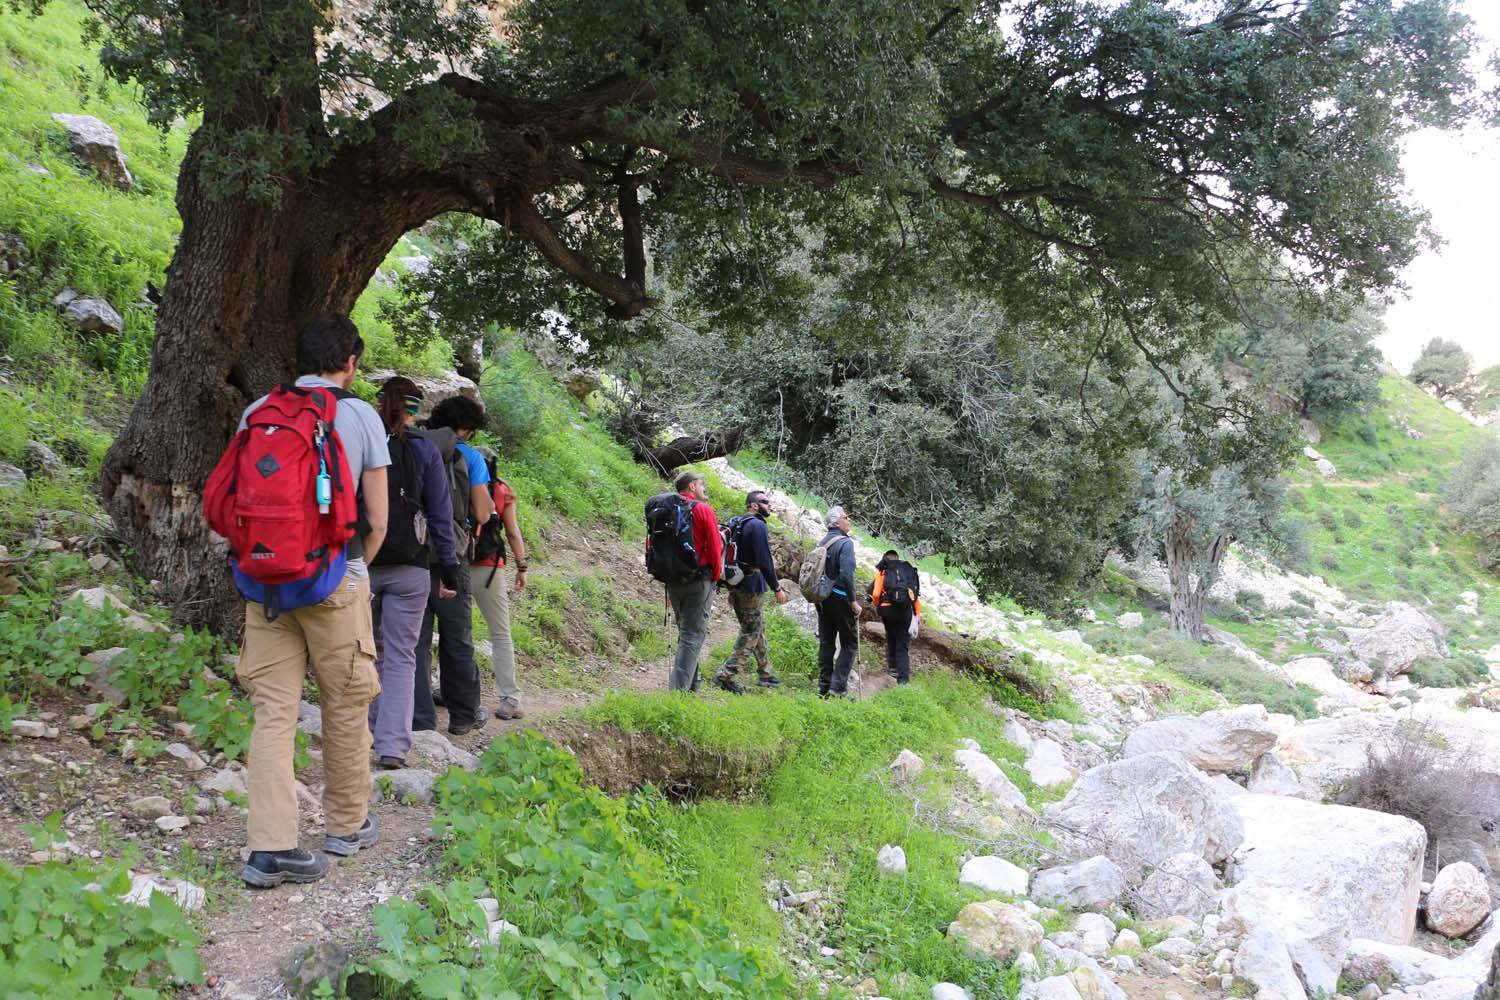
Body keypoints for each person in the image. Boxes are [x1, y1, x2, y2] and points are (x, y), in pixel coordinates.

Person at [233, 313, 389, 888]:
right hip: (334, 579)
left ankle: (269, 848)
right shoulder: (360, 416)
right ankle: (346, 824)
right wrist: (351, 573)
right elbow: (376, 520)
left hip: (267, 585)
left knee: (273, 712)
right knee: (346, 702)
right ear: (350, 361)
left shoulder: (257, 412)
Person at [366, 378, 462, 769]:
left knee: (365, 653)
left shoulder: (360, 441)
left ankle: (363, 733)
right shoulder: (425, 449)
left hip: (363, 562)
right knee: (403, 657)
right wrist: (450, 570)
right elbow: (442, 515)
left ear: (379, 402)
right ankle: (391, 746)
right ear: (415, 408)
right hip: (411, 567)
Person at [411, 394, 494, 736]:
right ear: (467, 430)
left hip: (410, 555)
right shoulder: (470, 456)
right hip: (451, 556)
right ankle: (463, 715)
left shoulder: (410, 445)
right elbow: (482, 513)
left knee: (414, 639)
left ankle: (418, 719)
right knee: (456, 636)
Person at [470, 448, 530, 719]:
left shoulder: (455, 480)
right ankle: (510, 698)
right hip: (489, 568)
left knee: (455, 631)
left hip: (454, 565)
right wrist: (522, 566)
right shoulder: (502, 490)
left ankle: (449, 688)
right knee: (500, 633)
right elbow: (513, 533)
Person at [713, 490, 787, 693]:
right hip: (751, 586)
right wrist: (777, 588)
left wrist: (731, 587)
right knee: (751, 631)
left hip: (736, 582)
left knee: (757, 628)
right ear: (754, 506)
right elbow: (764, 560)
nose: (769, 505)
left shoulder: (738, 522)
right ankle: (725, 675)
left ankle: (766, 674)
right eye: (764, 502)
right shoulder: (757, 525)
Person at [665, 470, 721, 692]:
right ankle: (678, 693)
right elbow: (715, 546)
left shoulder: (667, 509)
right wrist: (716, 577)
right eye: (701, 484)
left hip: (672, 580)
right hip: (699, 580)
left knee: (686, 632)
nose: (703, 488)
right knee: (692, 635)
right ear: (691, 487)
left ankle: (692, 686)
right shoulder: (702, 510)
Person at [815, 505, 861, 698]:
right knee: (849, 643)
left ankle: (824, 687)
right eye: (846, 517)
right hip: (841, 598)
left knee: (827, 642)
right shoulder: (845, 543)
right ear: (837, 522)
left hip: (822, 598)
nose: (848, 519)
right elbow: (847, 575)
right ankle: (837, 688)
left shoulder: (823, 542)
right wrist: (853, 602)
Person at [870, 550, 923, 684]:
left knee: (891, 637)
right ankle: (903, 678)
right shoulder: (907, 572)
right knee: (902, 644)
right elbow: (915, 598)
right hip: (904, 612)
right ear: (897, 559)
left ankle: (892, 668)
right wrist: (917, 617)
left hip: (887, 611)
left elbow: (875, 594)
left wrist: (879, 605)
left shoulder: (883, 572)